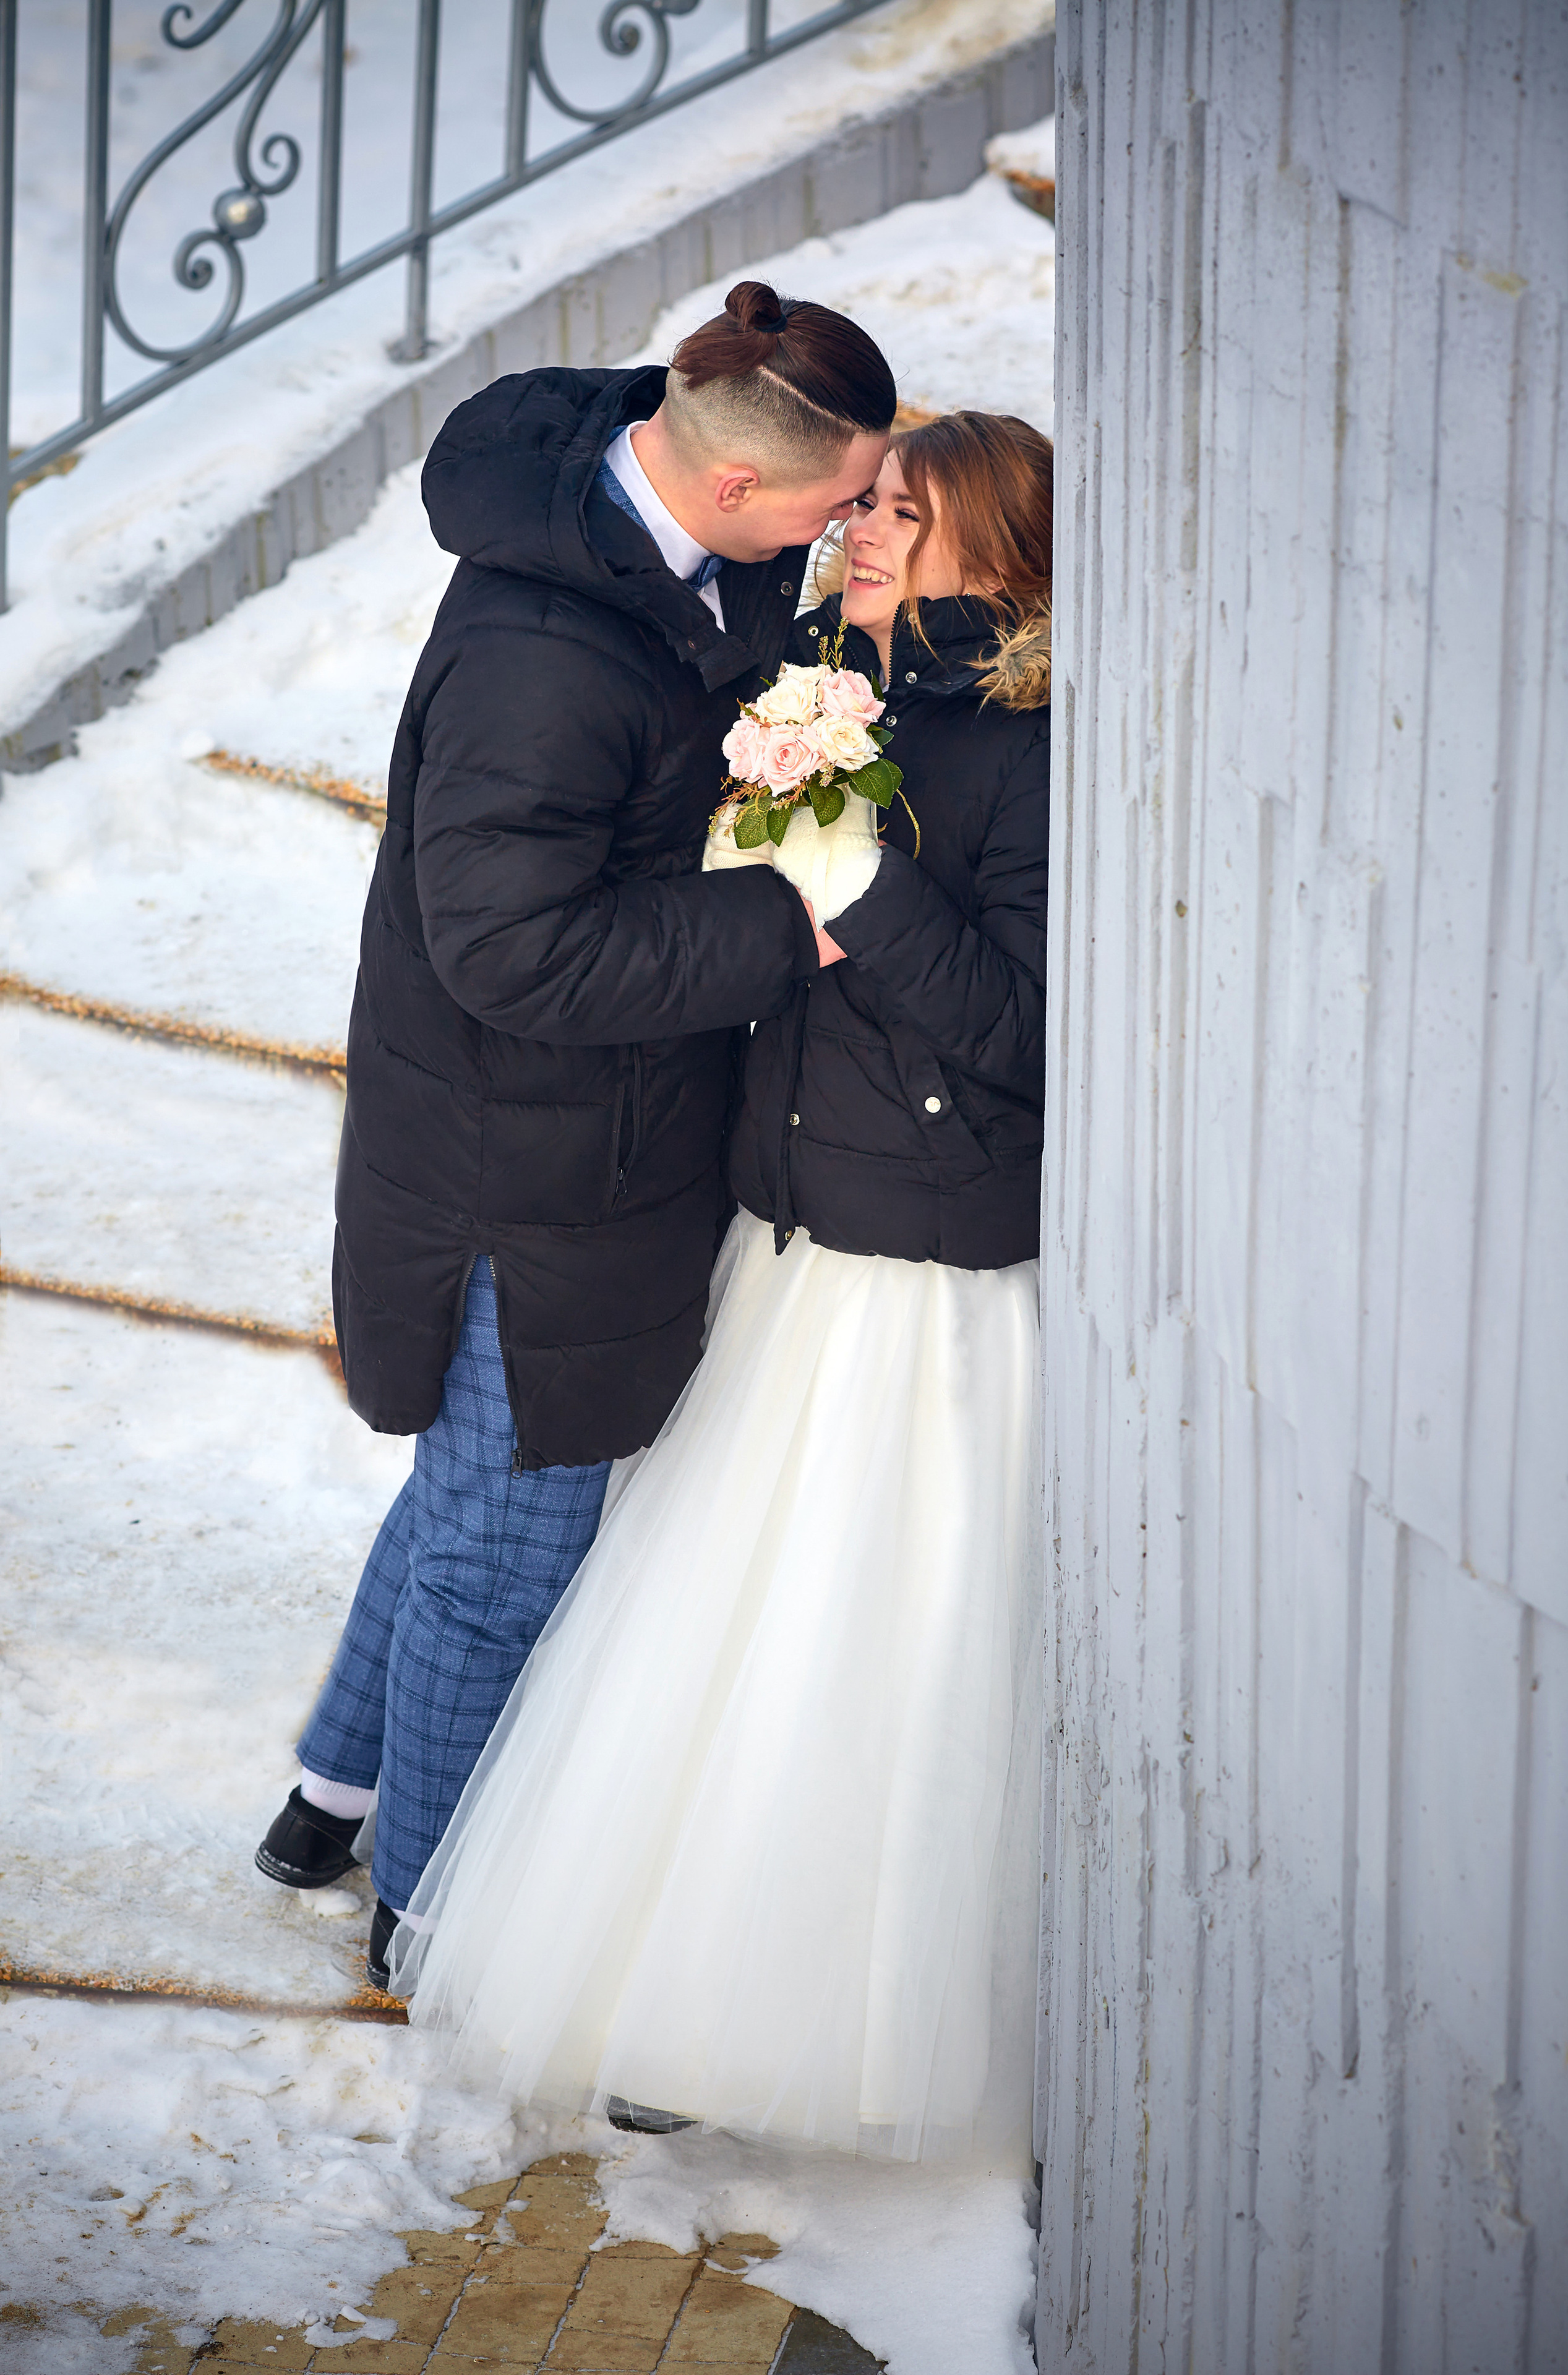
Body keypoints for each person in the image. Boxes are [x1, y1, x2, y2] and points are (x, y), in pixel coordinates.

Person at [390, 410, 1055, 2163]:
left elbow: (1025, 1034)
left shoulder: (1039, 744)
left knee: (857, 1652)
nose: (865, 531)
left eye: (905, 513)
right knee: (695, 1633)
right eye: (865, 501)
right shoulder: (832, 676)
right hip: (772, 1236)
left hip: (917, 1275)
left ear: (997, 548)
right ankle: (661, 1989)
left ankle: (798, 2024)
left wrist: (848, 881)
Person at [252, 285, 896, 1990]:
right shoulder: (547, 660)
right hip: (518, 1171)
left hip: (568, 1140)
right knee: (510, 1537)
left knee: (474, 1485)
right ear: (743, 493)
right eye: (844, 505)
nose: (849, 536)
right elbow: (511, 951)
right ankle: (435, 1918)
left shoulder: (668, 509)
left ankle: (331, 1796)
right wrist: (784, 930)